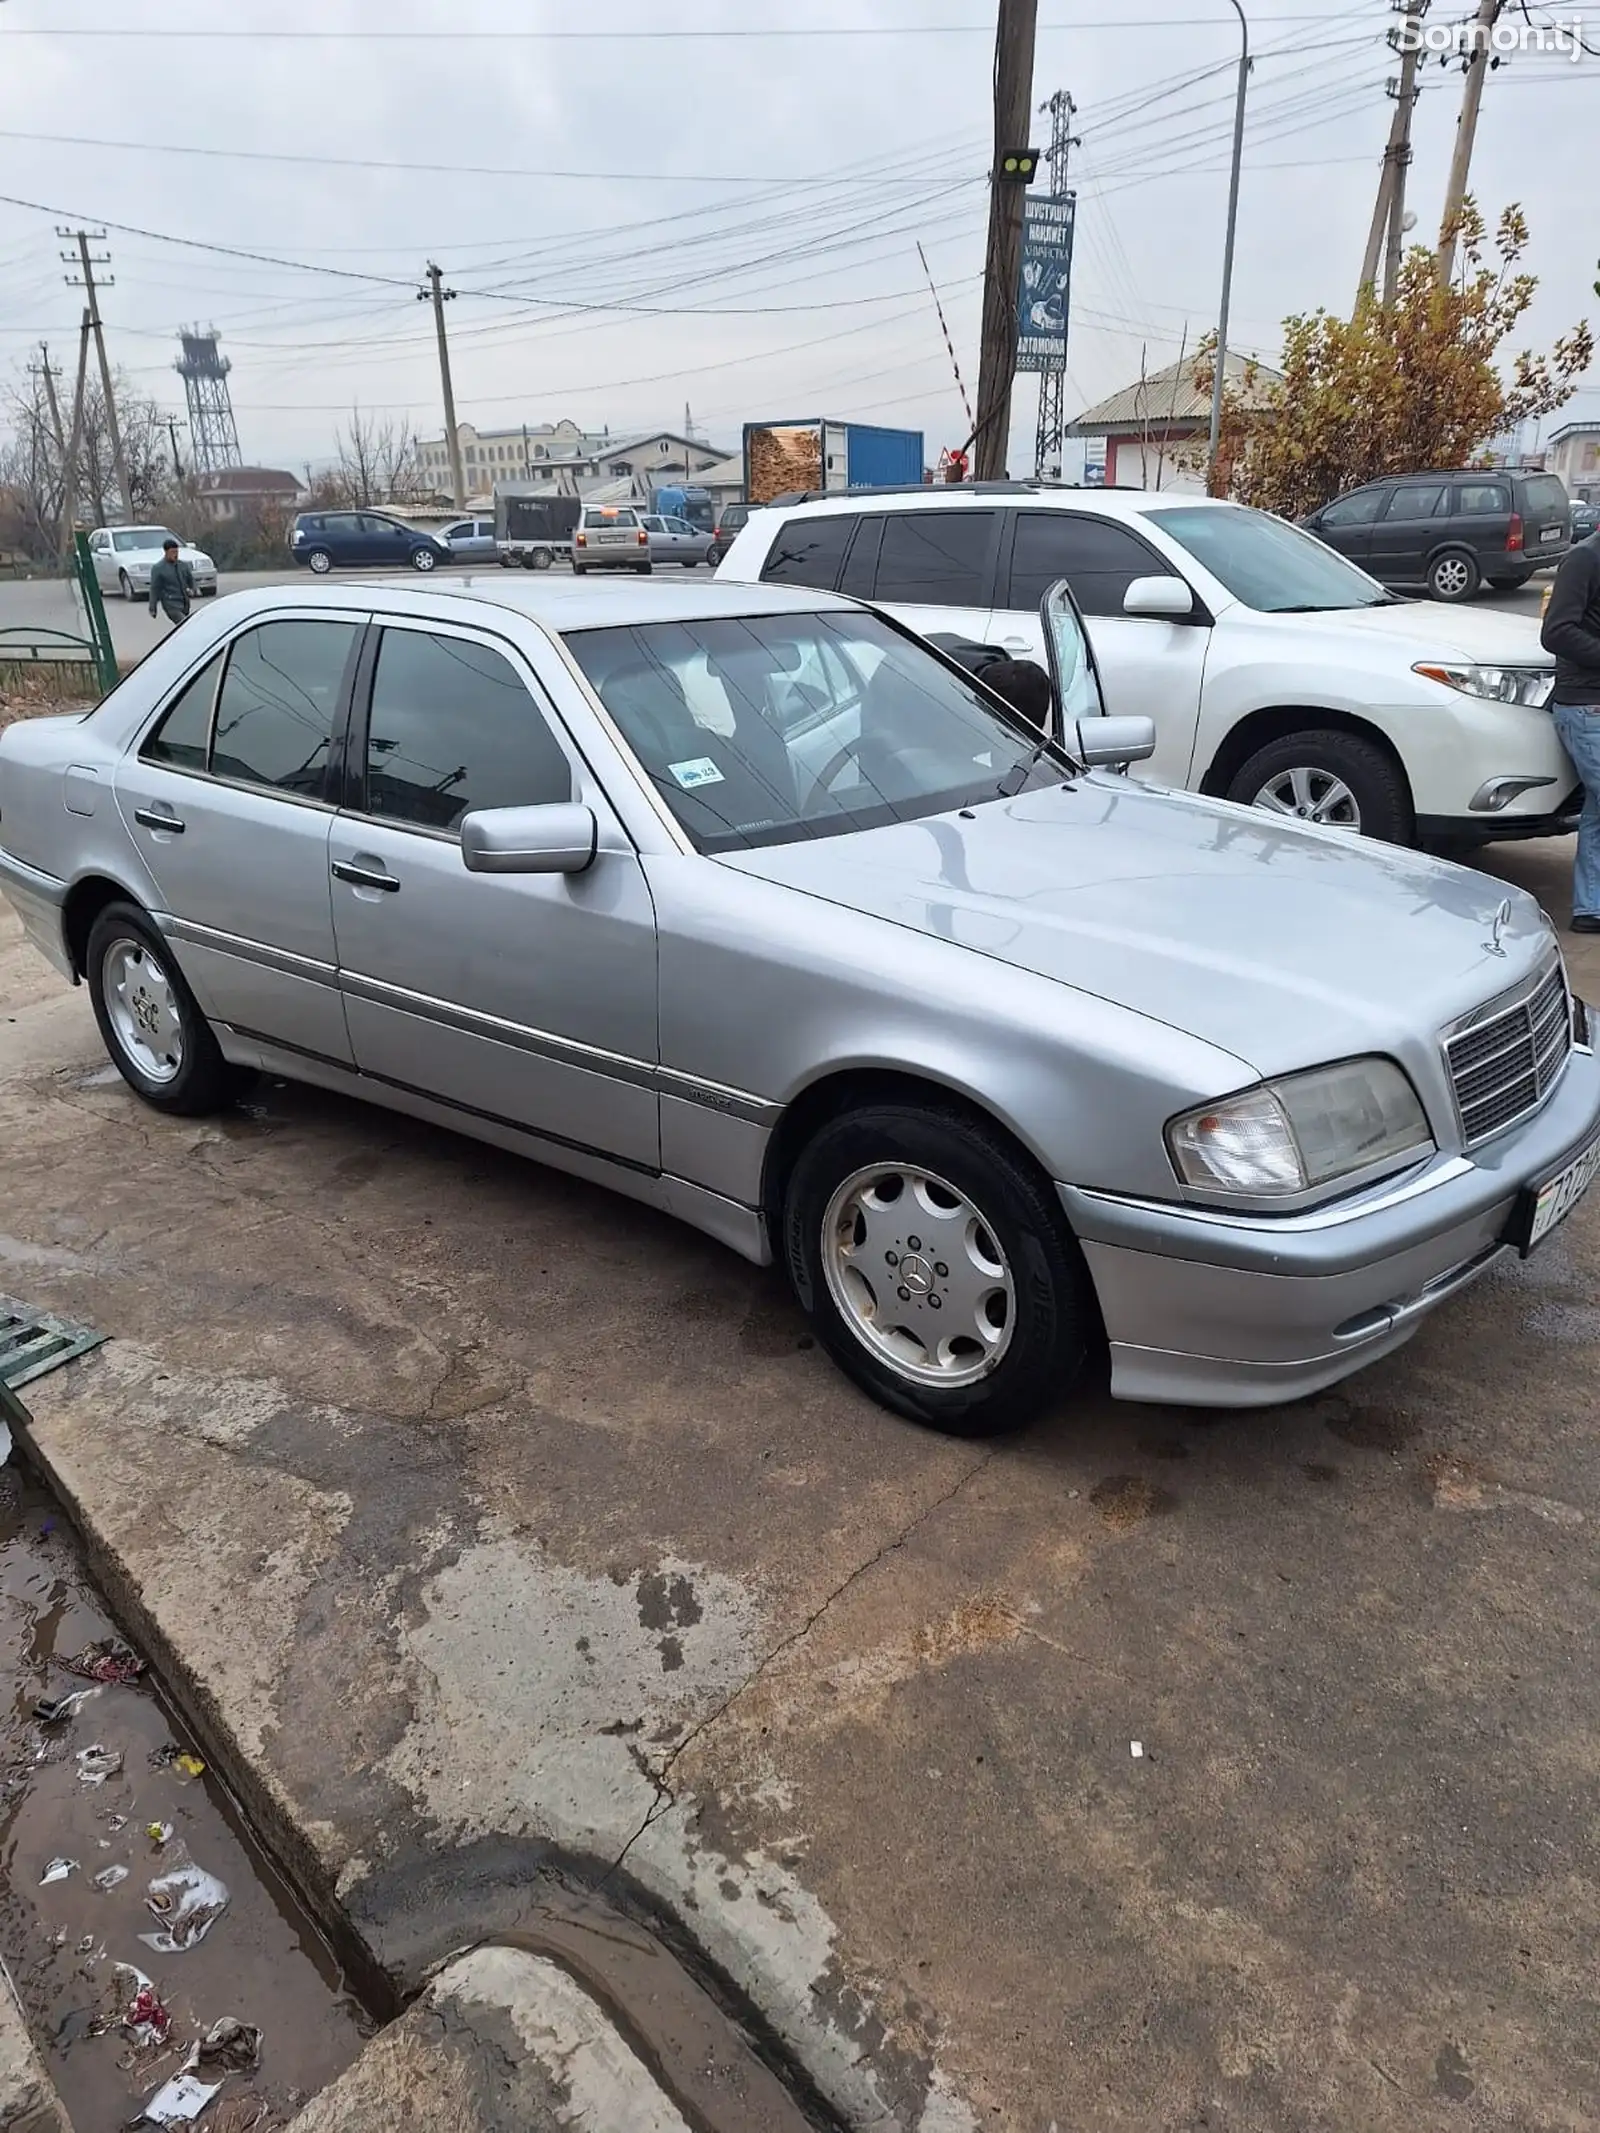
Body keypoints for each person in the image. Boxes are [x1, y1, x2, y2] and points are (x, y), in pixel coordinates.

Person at [1541, 519, 1600, 934]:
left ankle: (1590, 908)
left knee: (1597, 811)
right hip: (1586, 708)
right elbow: (1557, 631)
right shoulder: (1585, 558)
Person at [147, 538, 194, 630]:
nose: (175, 555)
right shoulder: (158, 568)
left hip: (184, 602)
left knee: (183, 626)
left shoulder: (182, 565)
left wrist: (192, 589)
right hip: (171, 604)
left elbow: (190, 579)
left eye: (176, 552)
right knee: (185, 625)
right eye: (172, 552)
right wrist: (152, 608)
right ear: (166, 552)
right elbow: (154, 589)